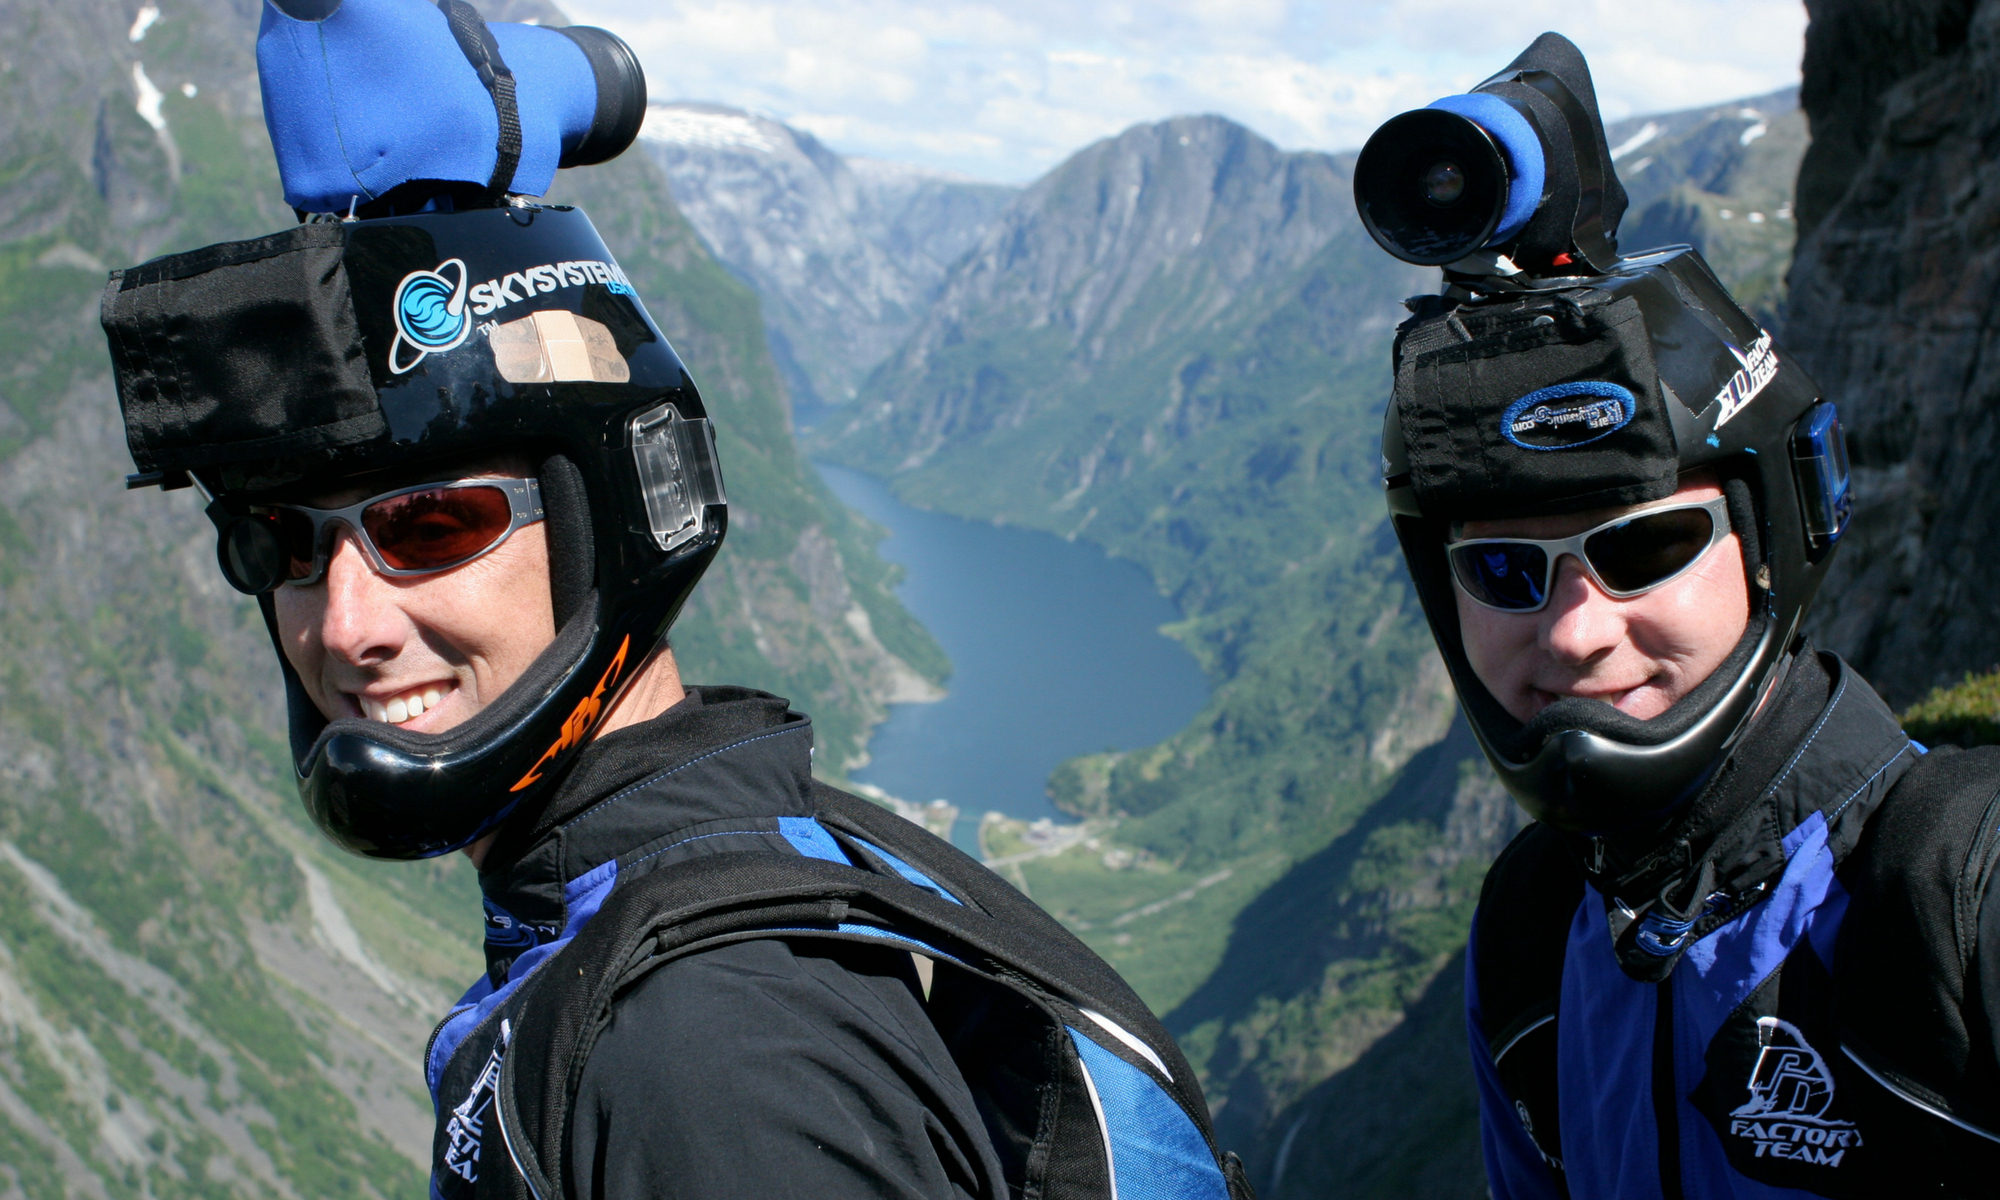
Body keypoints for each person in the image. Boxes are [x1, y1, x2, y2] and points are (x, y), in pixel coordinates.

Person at [97, 9, 1245, 1195]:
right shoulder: (697, 894)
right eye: (281, 542)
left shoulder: (711, 1059)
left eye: (429, 525)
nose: (342, 624)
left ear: (618, 520)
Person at [1365, 71, 2000, 1200]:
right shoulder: (1531, 928)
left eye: (1643, 550)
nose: (1572, 636)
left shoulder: (1959, 888)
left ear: (1770, 547)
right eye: (1500, 571)